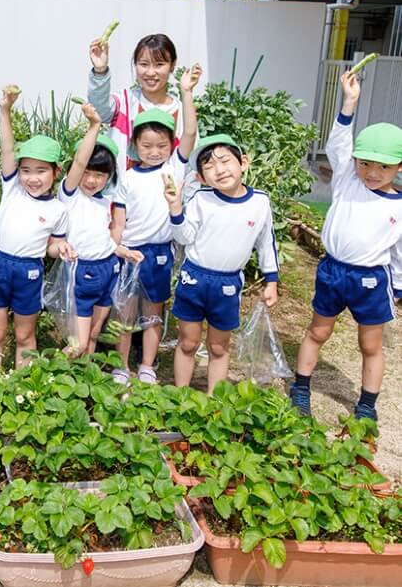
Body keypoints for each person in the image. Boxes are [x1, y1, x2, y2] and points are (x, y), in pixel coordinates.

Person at [290, 71, 402, 423]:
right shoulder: (346, 181)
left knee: (370, 344)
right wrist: (348, 103)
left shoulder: (398, 205)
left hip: (371, 279)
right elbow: (338, 144)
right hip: (333, 270)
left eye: (382, 166)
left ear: (398, 167)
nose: (371, 172)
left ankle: (367, 404)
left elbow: (399, 253)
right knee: (318, 330)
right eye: (365, 162)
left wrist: (398, 285)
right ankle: (301, 387)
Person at [166, 134, 279, 394]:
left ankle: (214, 400)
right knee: (188, 342)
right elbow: (184, 237)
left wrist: (271, 281)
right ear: (201, 178)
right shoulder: (201, 200)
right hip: (194, 279)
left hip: (228, 285)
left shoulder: (260, 202)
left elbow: (266, 243)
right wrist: (175, 208)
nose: (220, 170)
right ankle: (181, 395)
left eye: (225, 161)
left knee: (219, 347)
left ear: (244, 163)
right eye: (209, 166)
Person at [110, 64, 201, 384]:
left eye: (161, 146)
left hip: (160, 253)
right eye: (146, 146)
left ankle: (147, 365)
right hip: (130, 254)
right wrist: (117, 247)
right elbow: (118, 220)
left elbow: (189, 132)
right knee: (125, 314)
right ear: (135, 145)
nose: (154, 151)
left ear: (171, 147)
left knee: (153, 313)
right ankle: (120, 365)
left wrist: (187, 93)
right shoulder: (129, 177)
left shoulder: (175, 166)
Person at [0, 87, 74, 367]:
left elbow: (51, 246)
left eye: (41, 170)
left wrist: (62, 248)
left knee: (25, 334)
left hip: (29, 270)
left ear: (56, 172)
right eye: (26, 170)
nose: (32, 178)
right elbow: (7, 147)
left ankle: (24, 386)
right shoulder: (13, 190)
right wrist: (5, 109)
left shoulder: (57, 209)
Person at [59, 103, 129, 354]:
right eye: (87, 173)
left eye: (99, 175)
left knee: (94, 335)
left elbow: (103, 238)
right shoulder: (70, 195)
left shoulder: (104, 202)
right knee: (78, 340)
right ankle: (68, 377)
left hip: (107, 268)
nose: (91, 180)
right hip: (81, 269)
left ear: (108, 177)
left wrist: (122, 251)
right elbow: (79, 162)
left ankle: (87, 383)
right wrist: (95, 126)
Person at [87, 33, 184, 175]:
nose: (150, 72)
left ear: (172, 66)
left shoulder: (182, 113)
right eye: (144, 64)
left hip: (164, 195)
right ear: (136, 65)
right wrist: (100, 71)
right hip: (119, 195)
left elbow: (189, 162)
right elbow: (99, 110)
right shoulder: (124, 101)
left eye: (159, 64)